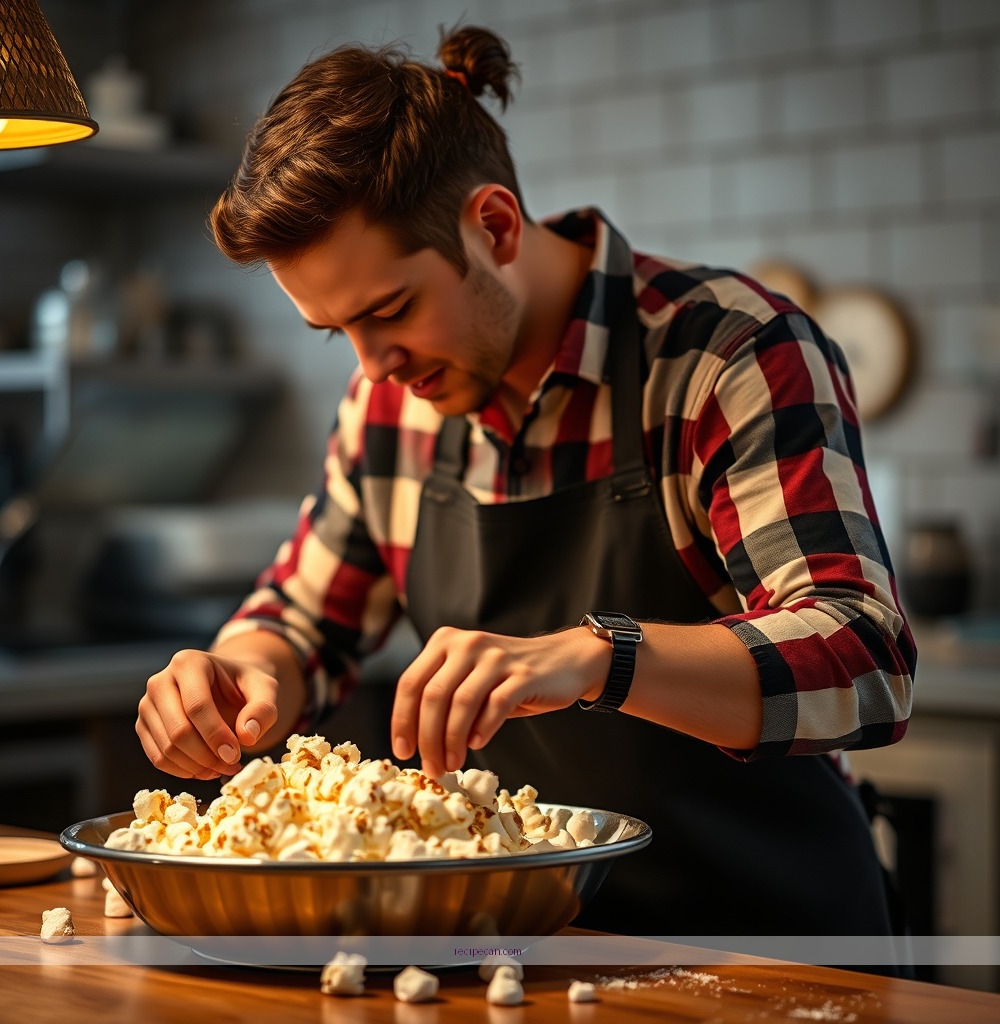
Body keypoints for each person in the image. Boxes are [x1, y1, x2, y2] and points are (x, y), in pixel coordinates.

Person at [135, 25, 916, 939]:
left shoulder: (727, 353)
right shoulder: (390, 409)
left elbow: (865, 659)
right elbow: (300, 624)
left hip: (779, 948)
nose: (374, 365)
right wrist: (233, 676)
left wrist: (597, 656)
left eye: (390, 311)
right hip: (534, 951)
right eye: (335, 330)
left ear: (495, 226)